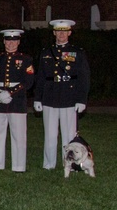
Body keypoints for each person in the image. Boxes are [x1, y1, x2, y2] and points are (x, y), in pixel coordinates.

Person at [34, 19, 90, 170]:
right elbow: (41, 76)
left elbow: (83, 77)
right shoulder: (46, 52)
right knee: (50, 135)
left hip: (69, 97)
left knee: (68, 135)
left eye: (64, 31)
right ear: (54, 33)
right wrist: (37, 98)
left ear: (69, 33)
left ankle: (70, 164)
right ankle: (49, 164)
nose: (61, 34)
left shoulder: (77, 52)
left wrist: (81, 99)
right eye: (58, 31)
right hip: (49, 96)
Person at [0, 29, 35, 172]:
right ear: (4, 41)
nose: (11, 43)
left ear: (18, 42)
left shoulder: (26, 60)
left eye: (14, 41)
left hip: (17, 101)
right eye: (8, 40)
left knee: (19, 135)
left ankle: (19, 166)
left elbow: (28, 81)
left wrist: (11, 93)